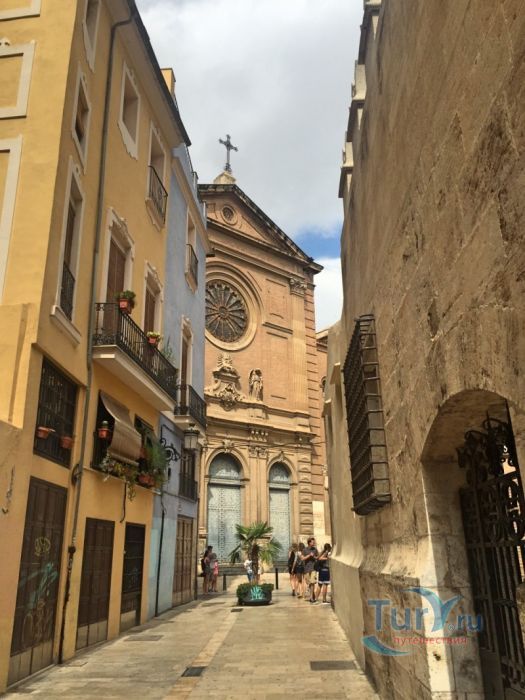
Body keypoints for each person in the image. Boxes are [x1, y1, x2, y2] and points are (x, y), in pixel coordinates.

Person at [302, 537, 319, 603]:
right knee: (309, 583)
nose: (314, 543)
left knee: (312, 582)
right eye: (312, 542)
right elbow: (302, 558)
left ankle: (311, 597)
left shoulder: (315, 549)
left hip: (313, 568)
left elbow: (317, 557)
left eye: (314, 541)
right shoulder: (304, 550)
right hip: (306, 569)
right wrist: (309, 555)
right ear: (309, 543)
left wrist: (314, 557)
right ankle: (312, 594)